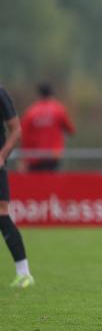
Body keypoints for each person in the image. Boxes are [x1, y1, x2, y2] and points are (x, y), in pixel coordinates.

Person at [0, 86, 35, 288]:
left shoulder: (1, 94)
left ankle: (24, 273)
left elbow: (17, 130)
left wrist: (2, 155)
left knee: (2, 213)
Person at [20, 82, 75, 172]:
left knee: (35, 184)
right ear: (52, 93)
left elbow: (23, 135)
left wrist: (24, 159)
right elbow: (71, 129)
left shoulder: (31, 112)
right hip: (53, 157)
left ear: (39, 94)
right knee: (53, 184)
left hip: (35, 157)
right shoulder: (59, 109)